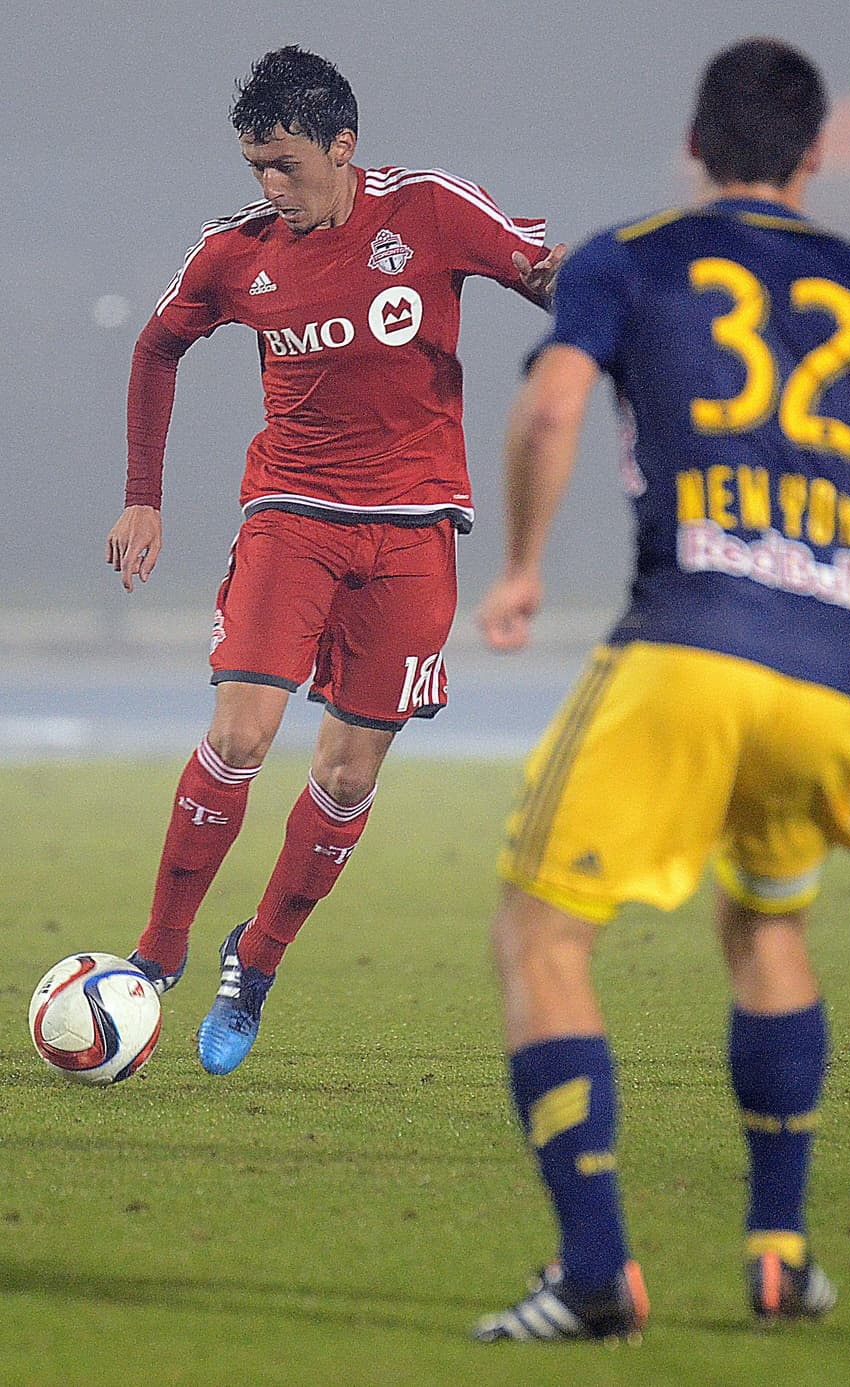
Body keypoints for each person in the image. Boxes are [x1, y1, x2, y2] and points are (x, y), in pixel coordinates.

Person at [472, 36, 850, 1342]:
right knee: (765, 928)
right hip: (830, 672)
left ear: (696, 146)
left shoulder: (629, 253)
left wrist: (524, 567)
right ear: (818, 153)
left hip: (692, 638)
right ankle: (777, 1251)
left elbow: (547, 413)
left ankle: (594, 1271)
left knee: (542, 930)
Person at [106, 45, 564, 1077]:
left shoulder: (431, 211)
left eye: (285, 166)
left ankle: (255, 958)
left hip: (412, 533)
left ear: (343, 146)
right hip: (291, 515)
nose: (270, 188)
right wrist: (144, 494)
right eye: (255, 168)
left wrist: (610, 332)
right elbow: (155, 349)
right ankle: (158, 951)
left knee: (347, 776)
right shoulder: (235, 252)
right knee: (239, 735)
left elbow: (545, 273)